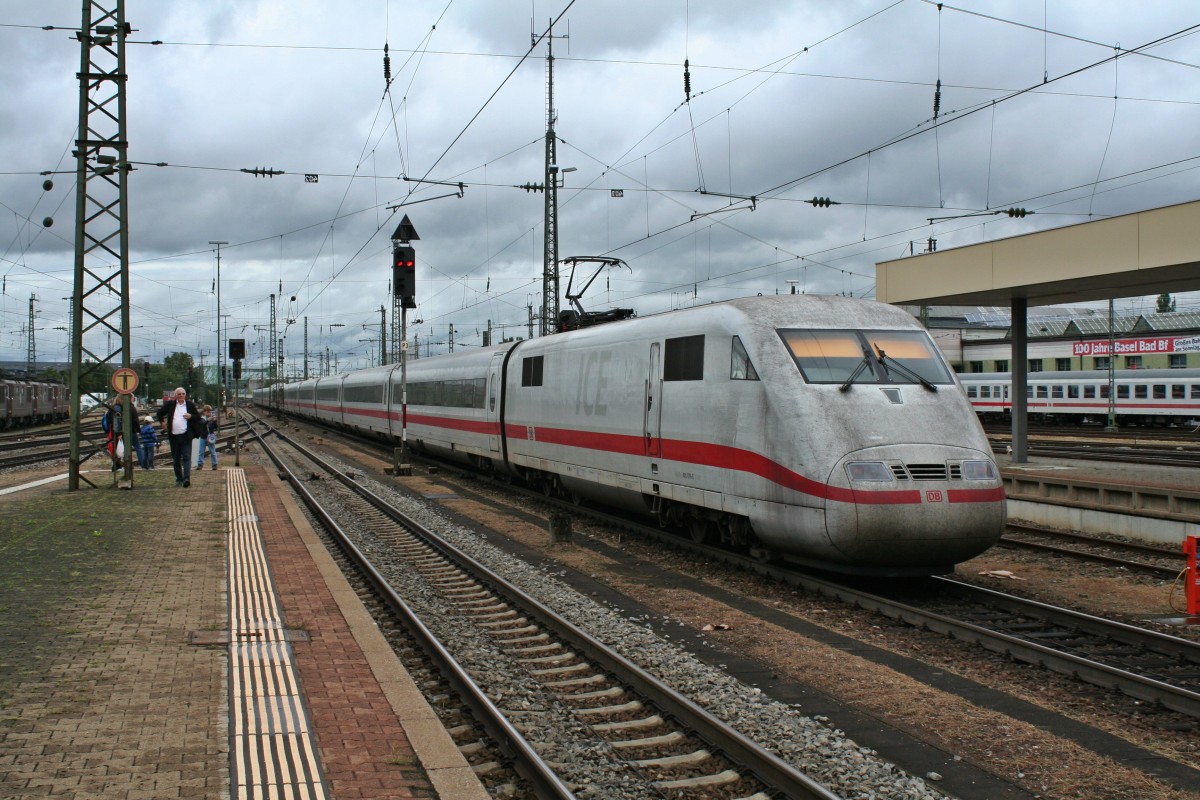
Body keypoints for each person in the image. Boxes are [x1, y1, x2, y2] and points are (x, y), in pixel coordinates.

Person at [157, 387, 204, 487]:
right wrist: (162, 423)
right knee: (176, 458)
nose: (181, 395)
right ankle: (179, 478)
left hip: (186, 436)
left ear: (185, 395)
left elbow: (198, 417)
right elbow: (159, 413)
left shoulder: (190, 405)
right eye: (179, 394)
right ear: (176, 396)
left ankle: (186, 479)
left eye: (183, 394)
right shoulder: (171, 404)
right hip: (174, 436)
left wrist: (190, 416)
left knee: (186, 457)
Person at [197, 404, 219, 470]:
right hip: (203, 437)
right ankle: (200, 464)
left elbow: (216, 427)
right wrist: (208, 420)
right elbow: (202, 425)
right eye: (207, 411)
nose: (209, 413)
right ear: (204, 412)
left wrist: (214, 421)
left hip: (210, 437)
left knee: (212, 451)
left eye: (210, 411)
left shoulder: (212, 418)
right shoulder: (202, 418)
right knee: (201, 452)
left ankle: (214, 464)